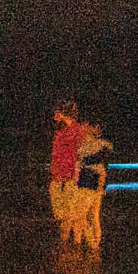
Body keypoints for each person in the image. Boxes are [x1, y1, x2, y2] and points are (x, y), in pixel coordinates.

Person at [48, 99, 86, 242]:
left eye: (56, 113)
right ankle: (68, 249)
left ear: (62, 113)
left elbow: (80, 154)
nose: (53, 116)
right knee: (62, 216)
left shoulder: (77, 130)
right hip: (58, 176)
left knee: (70, 217)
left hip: (71, 177)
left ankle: (68, 249)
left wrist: (77, 176)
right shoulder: (60, 130)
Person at [72, 118, 113, 251]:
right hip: (95, 183)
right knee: (94, 217)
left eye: (87, 126)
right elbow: (102, 167)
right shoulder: (103, 146)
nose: (84, 128)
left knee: (81, 217)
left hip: (88, 183)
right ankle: (93, 245)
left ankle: (87, 244)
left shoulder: (89, 146)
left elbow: (94, 165)